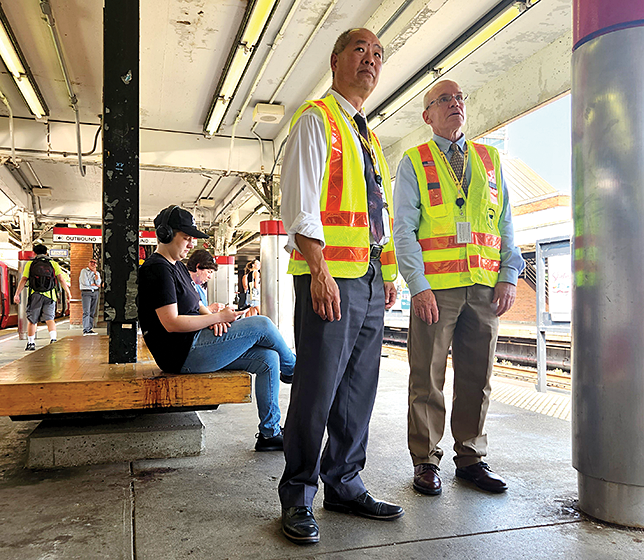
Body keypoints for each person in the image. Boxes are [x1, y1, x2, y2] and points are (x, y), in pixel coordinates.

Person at [278, 28, 403, 545]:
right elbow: (300, 205)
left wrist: (388, 275)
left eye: (378, 55)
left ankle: (345, 482)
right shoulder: (318, 120)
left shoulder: (367, 136)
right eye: (361, 51)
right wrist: (320, 269)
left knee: (358, 390)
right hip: (331, 277)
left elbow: (380, 215)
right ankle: (299, 494)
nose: (371, 61)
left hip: (370, 281)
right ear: (335, 60)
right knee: (316, 389)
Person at [393, 79, 525, 496]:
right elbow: (404, 231)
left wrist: (508, 273)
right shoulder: (414, 161)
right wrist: (417, 285)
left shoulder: (490, 159)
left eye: (459, 98)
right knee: (426, 377)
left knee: (477, 376)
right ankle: (426, 460)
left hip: (484, 289)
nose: (455, 104)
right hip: (436, 290)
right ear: (428, 115)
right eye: (444, 100)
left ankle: (470, 458)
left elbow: (504, 222)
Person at [138, 205, 296, 451]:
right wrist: (215, 318)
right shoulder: (156, 269)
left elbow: (197, 304)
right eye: (186, 238)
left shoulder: (177, 266)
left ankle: (270, 433)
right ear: (166, 234)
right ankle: (295, 369)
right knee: (262, 324)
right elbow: (172, 322)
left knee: (268, 358)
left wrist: (219, 318)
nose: (191, 244)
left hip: (197, 342)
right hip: (181, 353)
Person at [13, 244, 72, 350]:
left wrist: (17, 294)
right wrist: (68, 293)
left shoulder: (30, 264)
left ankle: (31, 343)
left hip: (35, 295)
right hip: (50, 296)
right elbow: (61, 280)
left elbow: (24, 279)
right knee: (50, 319)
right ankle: (53, 340)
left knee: (32, 320)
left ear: (34, 253)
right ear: (46, 253)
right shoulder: (53, 263)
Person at [185, 249, 225, 313]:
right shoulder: (185, 286)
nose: (210, 277)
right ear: (198, 267)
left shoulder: (198, 287)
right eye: (209, 272)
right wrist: (209, 309)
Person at [79, 257, 101, 335]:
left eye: (95, 263)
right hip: (86, 292)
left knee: (92, 311)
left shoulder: (97, 273)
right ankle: (85, 329)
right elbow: (85, 282)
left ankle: (90, 328)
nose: (93, 264)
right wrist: (94, 284)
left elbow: (98, 283)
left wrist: (95, 274)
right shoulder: (84, 271)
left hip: (95, 292)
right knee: (86, 311)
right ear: (88, 263)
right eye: (91, 262)